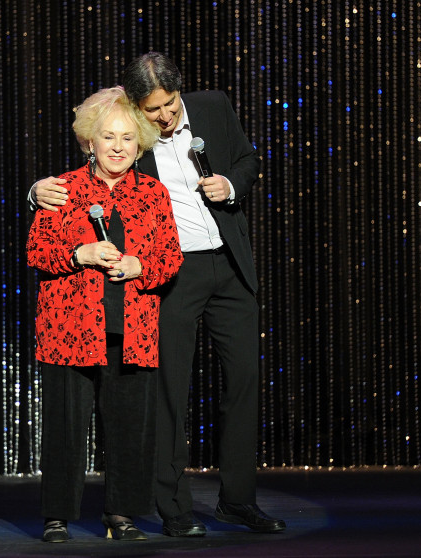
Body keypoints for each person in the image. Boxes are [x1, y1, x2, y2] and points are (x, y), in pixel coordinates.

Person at [29, 53, 286, 537]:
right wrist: (35, 194)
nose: (165, 118)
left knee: (244, 383)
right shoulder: (121, 139)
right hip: (170, 276)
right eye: (153, 112)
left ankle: (238, 502)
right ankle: (174, 510)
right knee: (166, 391)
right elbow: (90, 154)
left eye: (169, 106)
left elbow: (249, 160)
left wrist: (232, 184)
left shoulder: (212, 108)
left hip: (227, 265)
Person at [27, 85, 183, 543]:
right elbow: (37, 250)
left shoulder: (152, 194)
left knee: (129, 430)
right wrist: (81, 253)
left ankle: (122, 514)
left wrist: (142, 265)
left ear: (141, 144)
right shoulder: (62, 189)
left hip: (131, 329)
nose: (118, 147)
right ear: (89, 142)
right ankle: (57, 516)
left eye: (128, 138)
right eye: (109, 137)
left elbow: (171, 257)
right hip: (70, 329)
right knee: (65, 430)